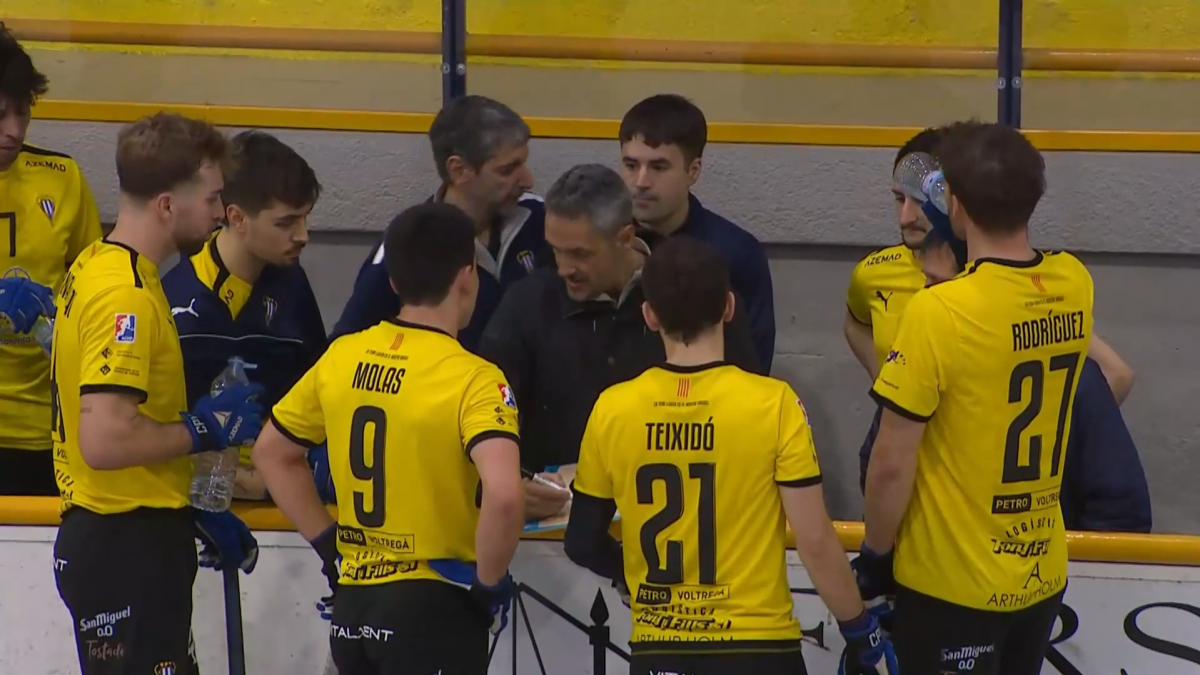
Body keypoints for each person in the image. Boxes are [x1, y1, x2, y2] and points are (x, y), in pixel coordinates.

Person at [563, 236, 896, 675]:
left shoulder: (613, 408)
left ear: (649, 315)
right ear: (729, 307)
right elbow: (814, 540)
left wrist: (629, 575)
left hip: (660, 648)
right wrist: (859, 628)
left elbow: (582, 541)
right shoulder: (772, 403)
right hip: (759, 649)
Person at [857, 120, 1092, 675]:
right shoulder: (1075, 282)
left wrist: (875, 558)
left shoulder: (939, 310)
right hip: (1039, 574)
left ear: (953, 204)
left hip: (951, 583)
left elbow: (891, 462)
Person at [253, 202, 525, 675]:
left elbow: (272, 453)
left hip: (353, 609)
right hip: (432, 609)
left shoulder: (343, 356)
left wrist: (329, 546)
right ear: (468, 277)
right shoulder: (475, 378)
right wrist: (488, 585)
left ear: (394, 282)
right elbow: (504, 496)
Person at [50, 112, 262, 675]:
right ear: (168, 205)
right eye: (212, 198)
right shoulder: (126, 297)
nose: (220, 212)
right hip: (125, 547)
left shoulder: (97, 263)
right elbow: (104, 440)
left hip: (125, 535)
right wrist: (204, 429)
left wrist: (185, 506)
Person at [850, 133, 1135, 490]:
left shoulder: (1013, 285)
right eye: (899, 198)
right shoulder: (872, 274)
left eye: (921, 199)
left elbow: (1115, 375)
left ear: (955, 201)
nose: (907, 215)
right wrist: (892, 384)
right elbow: (855, 325)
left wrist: (1039, 447)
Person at [478, 163, 762, 520]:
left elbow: (745, 411)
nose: (564, 268)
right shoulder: (528, 303)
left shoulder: (695, 291)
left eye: (580, 254)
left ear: (625, 237)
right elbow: (481, 414)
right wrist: (500, 483)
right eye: (556, 250)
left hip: (686, 518)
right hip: (554, 528)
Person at [920, 228, 1152, 532]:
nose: (924, 295)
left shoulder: (1072, 372)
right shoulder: (928, 362)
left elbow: (1120, 509)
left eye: (936, 284)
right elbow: (882, 465)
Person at [163, 130, 328, 501]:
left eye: (305, 218)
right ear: (236, 217)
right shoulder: (173, 300)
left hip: (281, 494)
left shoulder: (294, 286)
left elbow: (318, 396)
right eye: (285, 223)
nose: (303, 235)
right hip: (192, 497)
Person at [329, 95, 550, 352]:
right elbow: (344, 347)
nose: (528, 180)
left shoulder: (540, 219)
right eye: (507, 170)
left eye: (524, 163)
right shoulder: (410, 240)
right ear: (459, 170)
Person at [0, 24, 103, 496]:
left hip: (50, 431)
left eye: (22, 113)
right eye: (0, 115)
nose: (13, 131)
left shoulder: (62, 178)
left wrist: (61, 319)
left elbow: (98, 295)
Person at [619, 94, 775, 372]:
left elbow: (754, 368)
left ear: (693, 171)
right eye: (631, 165)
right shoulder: (606, 245)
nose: (640, 182)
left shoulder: (736, 253)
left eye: (658, 167)